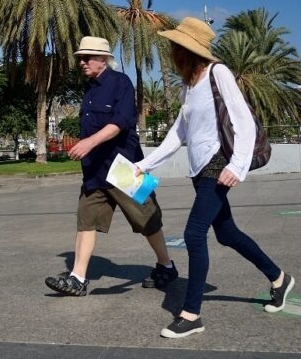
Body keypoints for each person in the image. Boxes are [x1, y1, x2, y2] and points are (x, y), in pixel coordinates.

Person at [133, 17, 294, 338]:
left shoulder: (218, 73)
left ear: (187, 49)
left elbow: (244, 121)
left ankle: (192, 315)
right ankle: (279, 278)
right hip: (200, 170)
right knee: (227, 233)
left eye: (175, 46)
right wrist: (144, 164)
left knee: (195, 234)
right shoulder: (189, 86)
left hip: (218, 165)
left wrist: (237, 164)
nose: (171, 52)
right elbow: (177, 134)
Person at [45, 36, 177, 297]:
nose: (82, 62)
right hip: (94, 171)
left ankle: (166, 265)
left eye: (87, 58)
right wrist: (88, 149)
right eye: (80, 58)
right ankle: (78, 278)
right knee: (86, 221)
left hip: (125, 169)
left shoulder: (121, 83)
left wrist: (88, 143)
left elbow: (121, 122)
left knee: (148, 220)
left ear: (103, 59)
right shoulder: (90, 90)